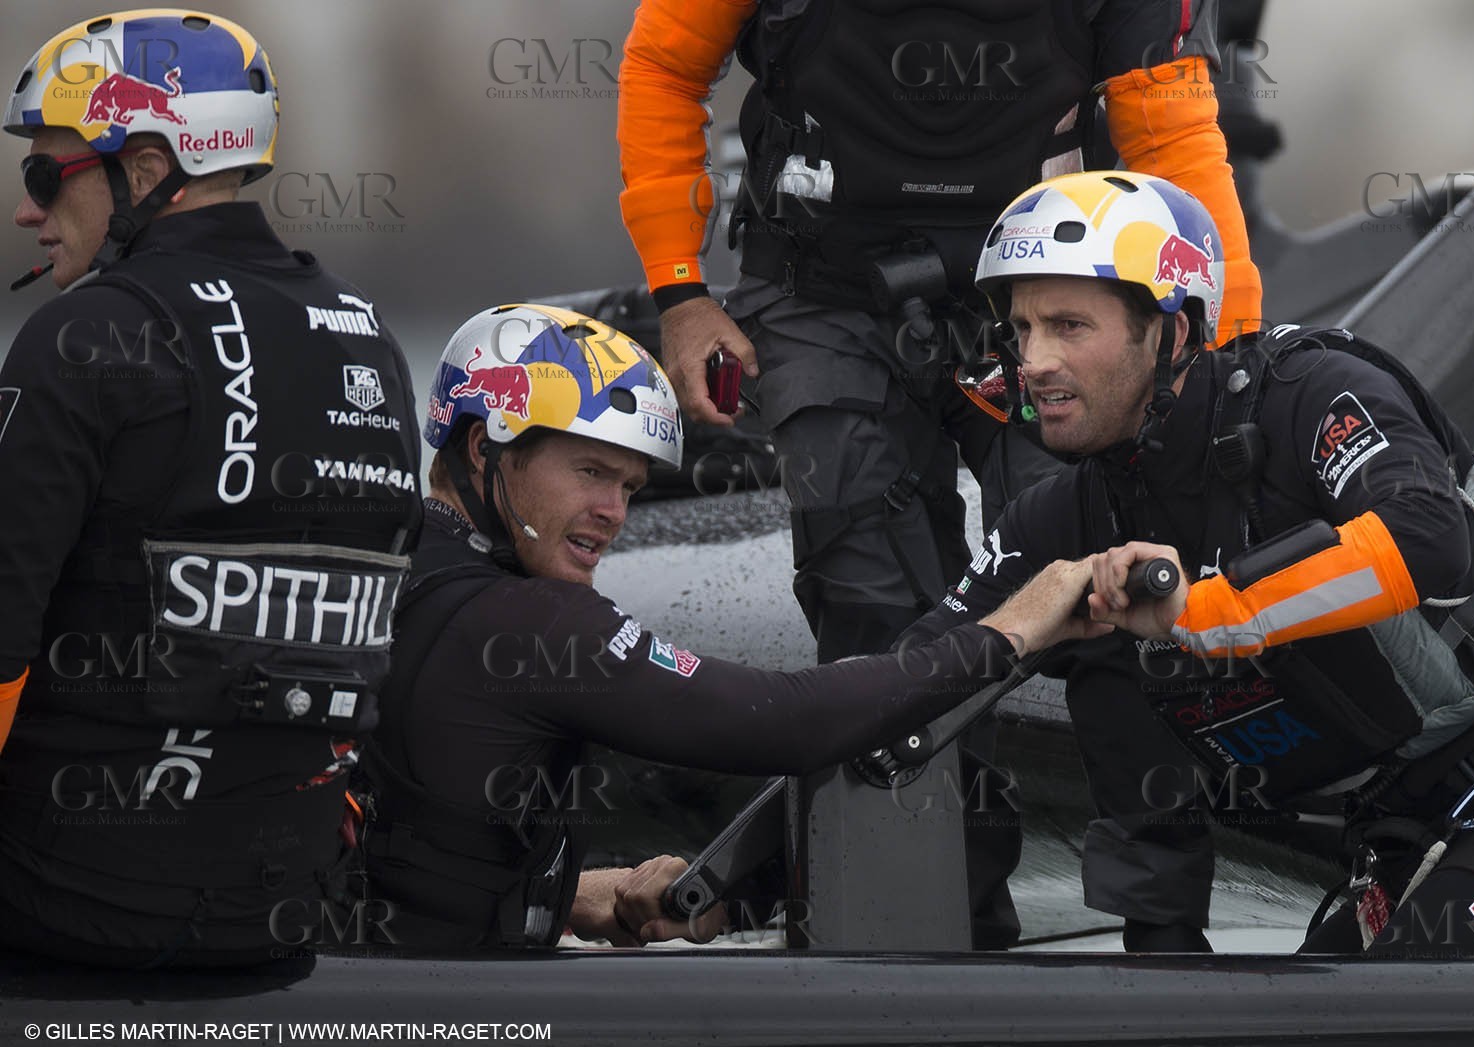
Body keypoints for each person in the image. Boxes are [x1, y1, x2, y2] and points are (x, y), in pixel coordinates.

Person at [618, 0, 1264, 948]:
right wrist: (679, 292)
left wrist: (1232, 348)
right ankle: (924, 927)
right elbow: (663, 69)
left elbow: (1172, 130)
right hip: (821, 289)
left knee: (1111, 593)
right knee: (870, 599)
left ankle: (1161, 933)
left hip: (1042, 281)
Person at [903, 168, 1474, 956]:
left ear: (1172, 330)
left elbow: (1430, 534)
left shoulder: (1309, 394)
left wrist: (1206, 612)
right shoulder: (1068, 514)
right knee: (1311, 1023)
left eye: (1068, 325)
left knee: (1398, 1011)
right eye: (1022, 330)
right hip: (1419, 821)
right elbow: (912, 672)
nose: (1033, 360)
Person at [361, 303, 1107, 949]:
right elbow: (786, 720)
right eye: (590, 471)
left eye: (628, 486)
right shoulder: (525, 620)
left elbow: (414, 838)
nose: (613, 514)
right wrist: (1009, 632)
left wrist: (568, 895)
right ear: (482, 447)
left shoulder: (395, 571)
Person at [0, 11, 422, 967]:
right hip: (284, 912)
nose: (28, 211)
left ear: (145, 170)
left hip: (70, 898)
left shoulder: (89, 333)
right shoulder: (370, 336)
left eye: (44, 175)